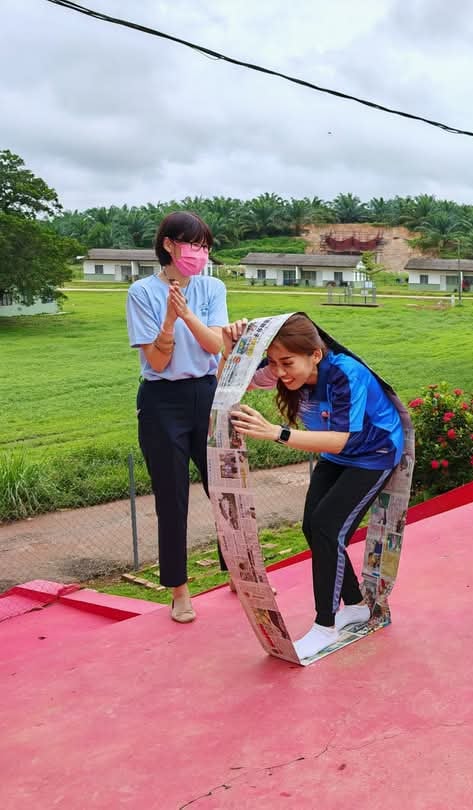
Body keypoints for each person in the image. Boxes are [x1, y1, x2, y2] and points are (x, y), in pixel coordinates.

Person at [228, 313, 405, 658]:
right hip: (337, 457)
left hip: (373, 454)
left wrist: (275, 432)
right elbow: (234, 382)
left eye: (287, 363)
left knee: (327, 527)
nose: (279, 372)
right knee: (313, 527)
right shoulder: (285, 370)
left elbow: (340, 439)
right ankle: (354, 605)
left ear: (315, 356)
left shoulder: (345, 374)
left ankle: (326, 625)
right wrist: (231, 349)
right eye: (275, 363)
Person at [126, 211, 237, 624]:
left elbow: (215, 347)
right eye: (193, 244)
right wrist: (169, 321)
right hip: (161, 401)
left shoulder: (213, 286)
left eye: (205, 246)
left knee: (224, 488)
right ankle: (179, 591)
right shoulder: (142, 292)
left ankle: (238, 574)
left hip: (206, 394)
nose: (200, 253)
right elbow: (156, 358)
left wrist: (186, 314)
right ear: (170, 245)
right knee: (172, 499)